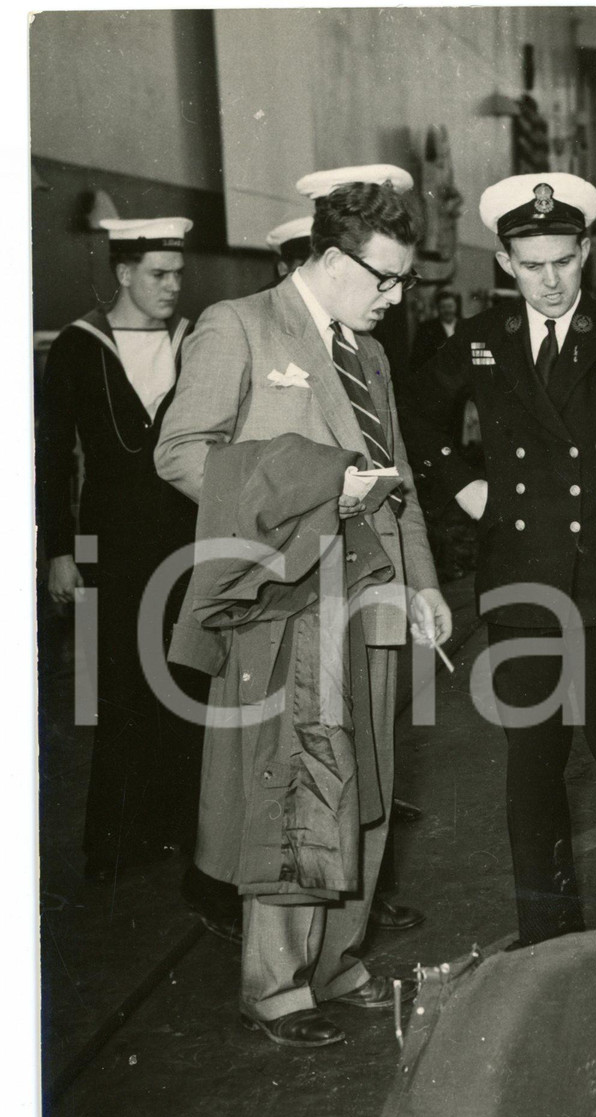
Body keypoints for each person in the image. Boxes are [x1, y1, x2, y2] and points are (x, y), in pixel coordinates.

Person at [156, 166, 450, 1048]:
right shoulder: (240, 327)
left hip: (376, 593)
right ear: (327, 259)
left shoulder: (374, 354)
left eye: (402, 280)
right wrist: (302, 489)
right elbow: (179, 453)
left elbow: (399, 485)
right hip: (290, 592)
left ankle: (338, 959)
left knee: (368, 781)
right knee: (297, 785)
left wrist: (427, 582)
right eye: (382, 278)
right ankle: (277, 983)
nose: (395, 297)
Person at [398, 172, 596, 946]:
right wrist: (463, 485)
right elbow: (415, 415)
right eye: (531, 264)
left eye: (563, 261)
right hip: (522, 582)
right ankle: (547, 939)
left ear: (585, 254)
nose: (549, 279)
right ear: (505, 262)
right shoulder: (480, 339)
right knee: (533, 766)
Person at [37, 216, 206, 885]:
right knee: (117, 688)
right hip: (108, 541)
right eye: (159, 275)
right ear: (124, 273)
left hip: (184, 538)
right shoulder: (80, 347)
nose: (172, 287)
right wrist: (58, 549)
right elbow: (53, 458)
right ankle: (113, 843)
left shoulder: (193, 343)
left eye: (178, 275)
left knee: (185, 680)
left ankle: (177, 830)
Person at [409, 289, 461, 371]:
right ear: (438, 308)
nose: (447, 310)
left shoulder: (466, 326)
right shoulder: (426, 329)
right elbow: (417, 359)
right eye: (443, 307)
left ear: (456, 307)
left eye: (450, 306)